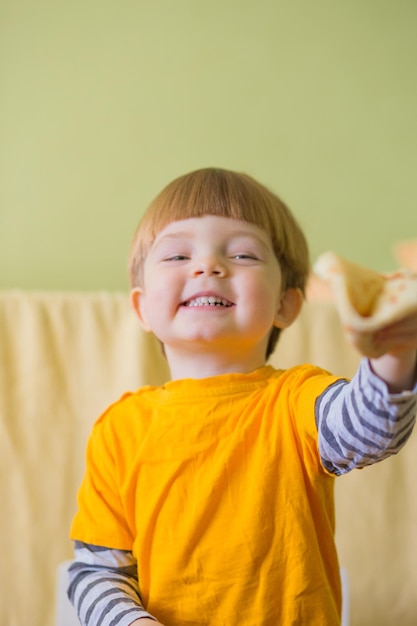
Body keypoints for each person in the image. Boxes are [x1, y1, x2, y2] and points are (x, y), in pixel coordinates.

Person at [68, 167, 417, 626]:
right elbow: (95, 571)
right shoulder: (119, 429)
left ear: (285, 305)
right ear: (142, 307)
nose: (207, 266)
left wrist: (393, 352)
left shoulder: (297, 400)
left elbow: (368, 431)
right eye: (176, 255)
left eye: (243, 254)